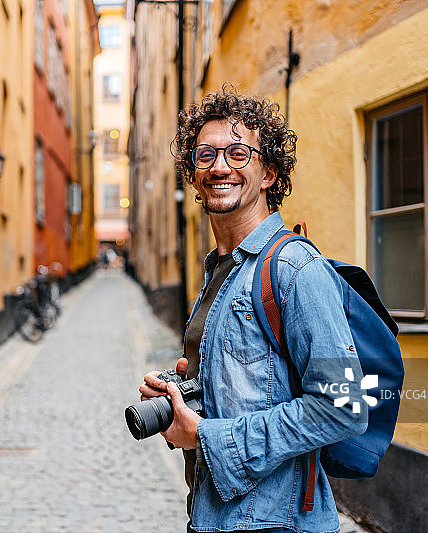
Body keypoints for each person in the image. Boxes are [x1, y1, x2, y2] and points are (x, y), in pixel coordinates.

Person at [138, 86, 368, 533]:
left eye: (239, 153)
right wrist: (187, 392)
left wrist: (204, 437)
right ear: (192, 171)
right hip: (215, 515)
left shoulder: (294, 268)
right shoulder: (220, 270)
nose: (220, 166)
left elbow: (344, 406)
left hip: (275, 522)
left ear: (268, 173)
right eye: (206, 154)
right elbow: (250, 387)